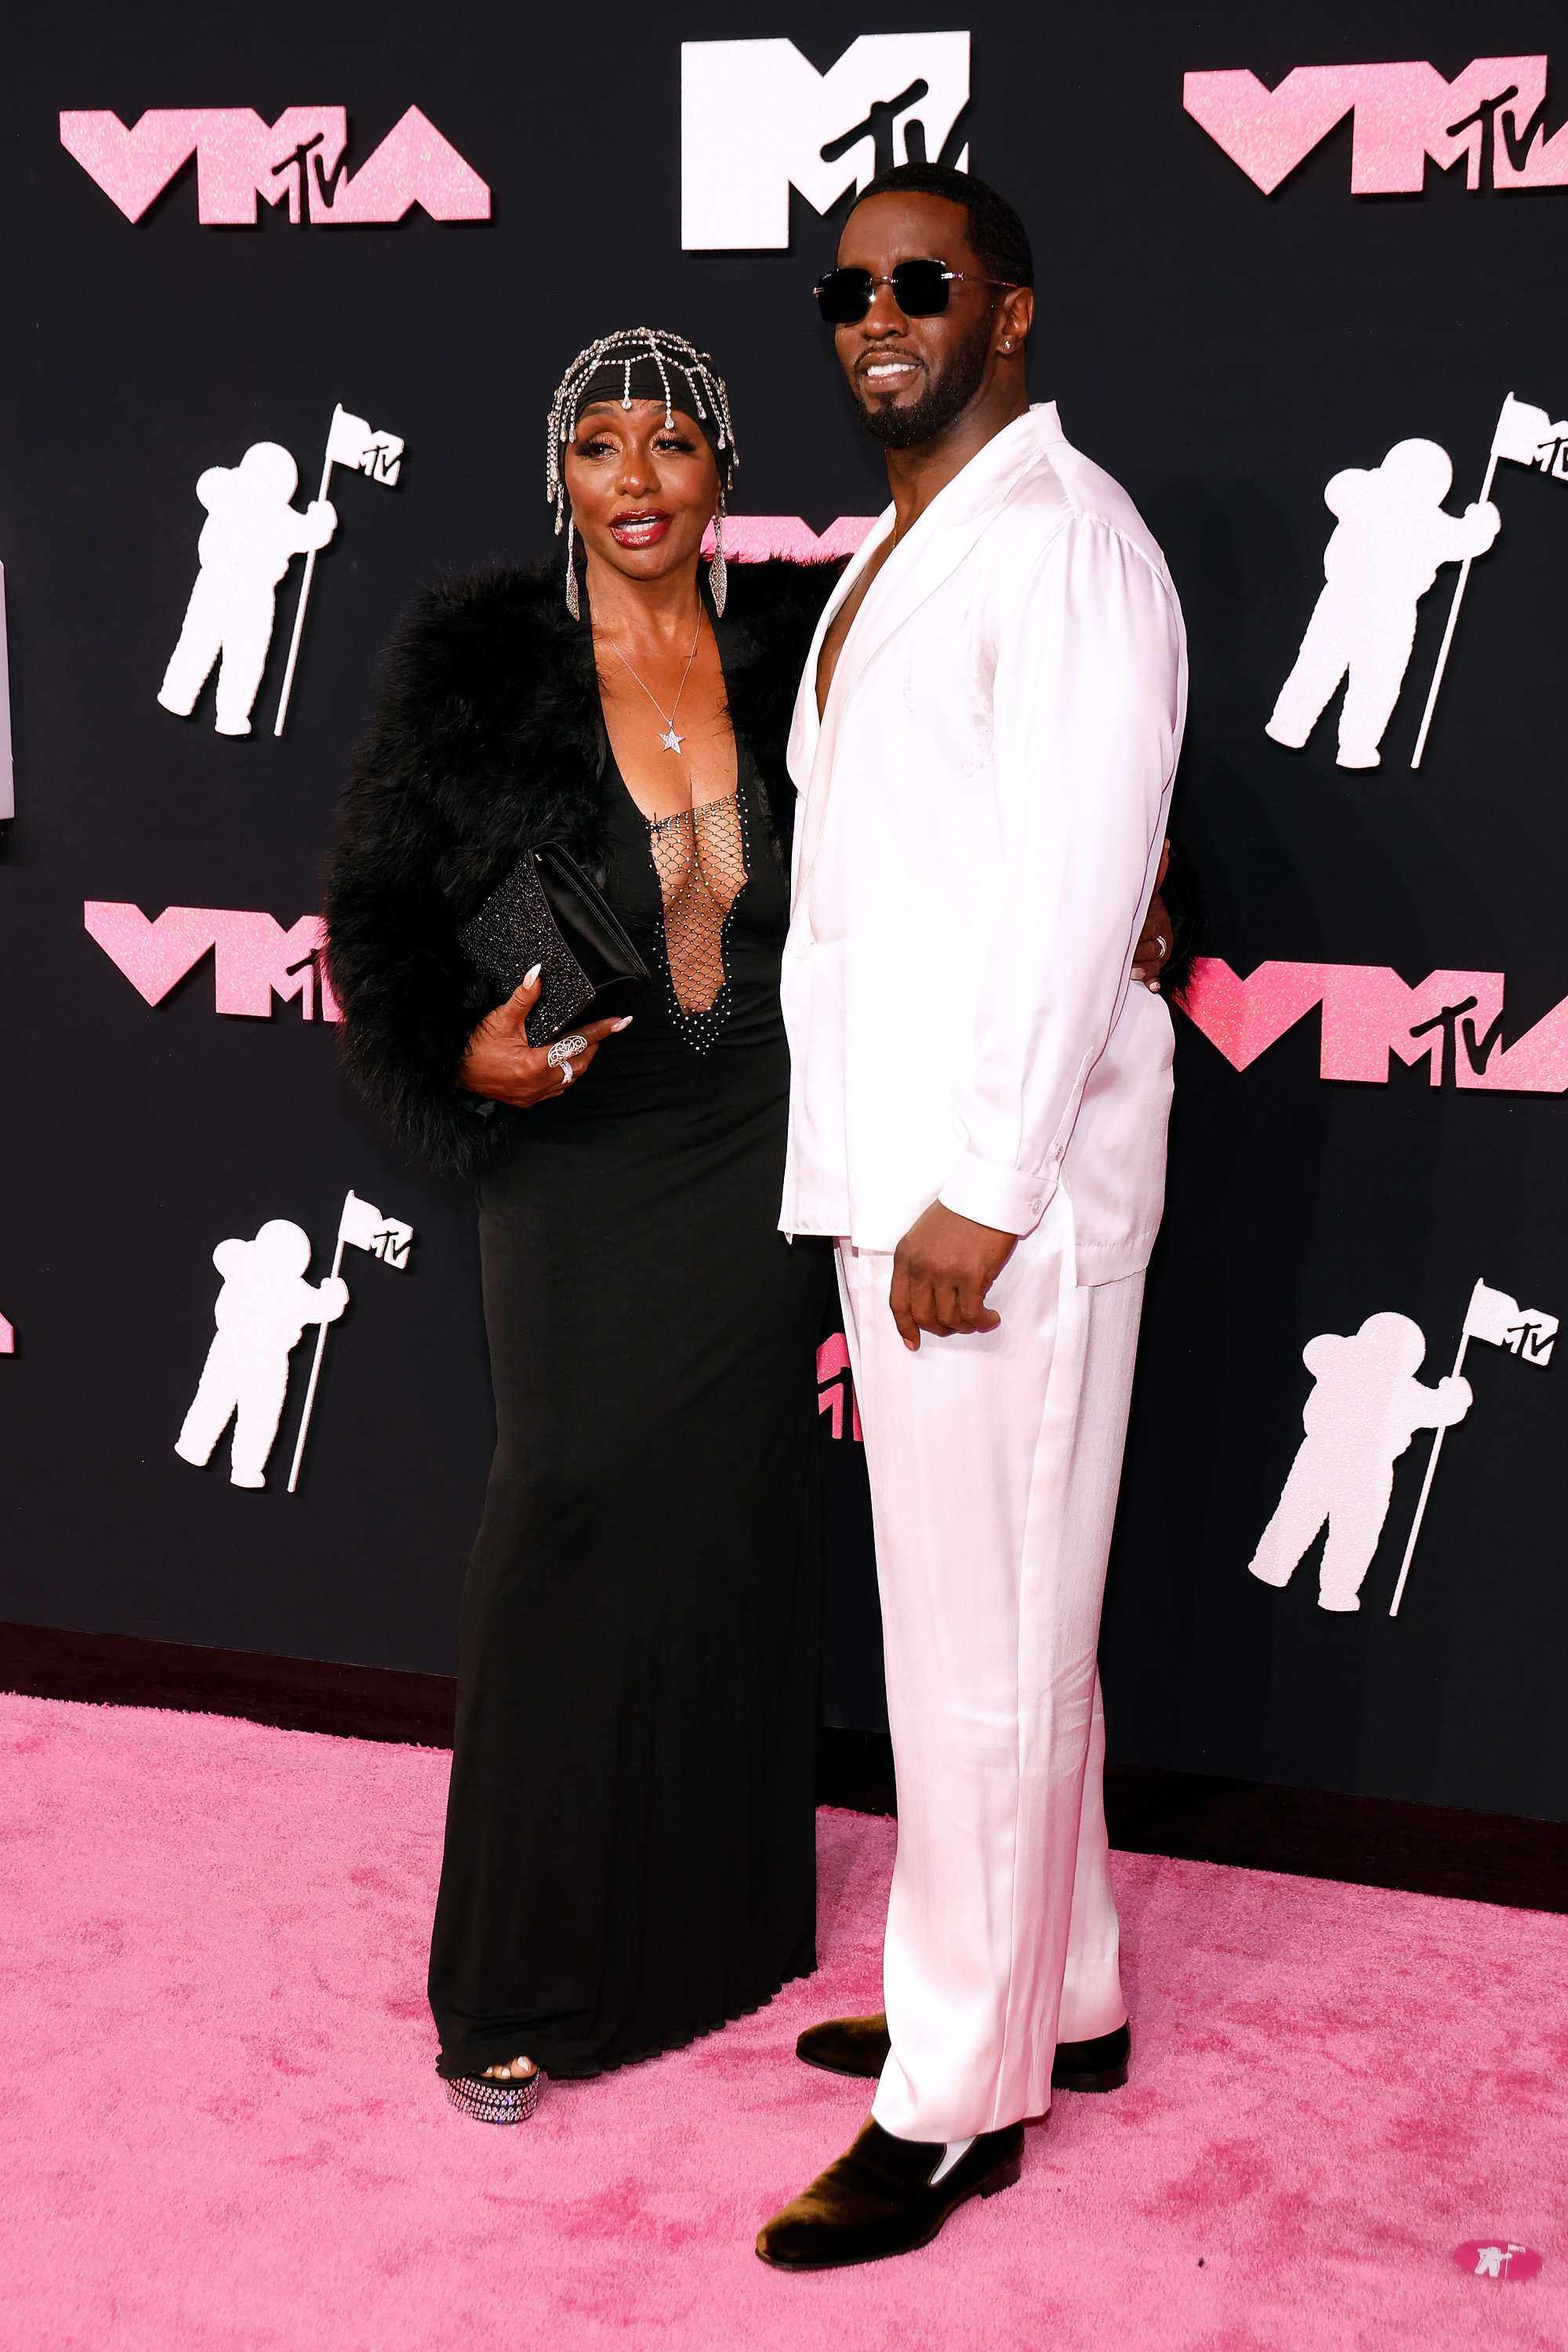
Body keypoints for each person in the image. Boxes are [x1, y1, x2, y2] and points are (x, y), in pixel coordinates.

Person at [325, 325, 1178, 2127]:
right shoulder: (480, 664)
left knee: (737, 1506)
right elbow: (383, 915)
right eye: (599, 448)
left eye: (671, 444)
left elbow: (993, 808)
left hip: (771, 1140)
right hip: (579, 1149)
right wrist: (453, 1048)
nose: (635, 480)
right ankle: (511, 1974)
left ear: (720, 470)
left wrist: (1138, 892)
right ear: (558, 475)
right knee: (565, 1505)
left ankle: (719, 1933)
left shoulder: (807, 638)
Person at [755, 164, 1187, 2269]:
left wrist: (985, 1195)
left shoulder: (1073, 546)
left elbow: (1081, 893)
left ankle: (957, 2097)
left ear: (1008, 312)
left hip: (985, 1202)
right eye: (847, 291)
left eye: (921, 283)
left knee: (987, 1656)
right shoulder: (900, 550)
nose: (877, 318)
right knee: (993, 1633)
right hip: (905, 1171)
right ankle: (1061, 1986)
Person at [1249, 1311, 1472, 1612]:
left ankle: (1291, 1574)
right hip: (1352, 1463)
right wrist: (1455, 1393)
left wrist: (1454, 1397)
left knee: (1327, 1523)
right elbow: (1444, 1410)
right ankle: (1324, 1587)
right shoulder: (1374, 1375)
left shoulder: (1353, 1367)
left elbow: (1316, 1350)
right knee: (1345, 1529)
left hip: (1341, 1460)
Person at [158, 441, 337, 738]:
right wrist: (321, 520)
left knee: (236, 653)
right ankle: (196, 699)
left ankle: (217, 708)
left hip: (244, 590)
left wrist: (322, 522)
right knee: (219, 648)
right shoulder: (237, 496)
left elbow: (312, 535)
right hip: (226, 584)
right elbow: (207, 484)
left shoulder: (249, 502)